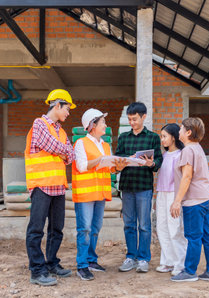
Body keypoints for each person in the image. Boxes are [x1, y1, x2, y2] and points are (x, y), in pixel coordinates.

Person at [24, 89, 76, 286]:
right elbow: (51, 145)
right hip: (41, 186)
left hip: (58, 188)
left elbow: (71, 156)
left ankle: (51, 263)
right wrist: (61, 150)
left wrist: (60, 150)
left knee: (57, 229)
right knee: (36, 229)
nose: (68, 113)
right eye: (67, 109)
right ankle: (37, 271)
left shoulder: (61, 131)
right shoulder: (39, 124)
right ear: (57, 105)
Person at [72, 109, 127, 281]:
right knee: (85, 229)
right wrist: (101, 160)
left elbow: (109, 168)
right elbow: (81, 166)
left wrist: (118, 166)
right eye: (103, 122)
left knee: (95, 229)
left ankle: (91, 260)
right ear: (93, 125)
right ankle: (82, 266)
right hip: (86, 195)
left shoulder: (104, 145)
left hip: (100, 193)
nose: (105, 125)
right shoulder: (81, 143)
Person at [170, 117, 209, 283]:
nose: (179, 132)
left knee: (193, 237)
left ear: (188, 132)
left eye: (181, 129)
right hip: (207, 197)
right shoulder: (198, 148)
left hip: (195, 201)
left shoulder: (187, 150)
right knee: (207, 236)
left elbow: (187, 177)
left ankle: (190, 271)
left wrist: (177, 201)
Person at [115, 102, 163, 273]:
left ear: (144, 117)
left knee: (144, 224)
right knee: (129, 224)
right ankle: (130, 257)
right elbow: (117, 158)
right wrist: (120, 163)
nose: (132, 122)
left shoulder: (152, 137)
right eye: (129, 119)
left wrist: (152, 163)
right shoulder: (123, 137)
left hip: (144, 187)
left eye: (135, 119)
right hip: (127, 185)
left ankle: (143, 259)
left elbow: (158, 161)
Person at [155, 123, 187, 277]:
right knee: (162, 227)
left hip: (174, 195)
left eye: (164, 136)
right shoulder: (164, 156)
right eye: (161, 136)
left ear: (173, 137)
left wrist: (178, 200)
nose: (162, 140)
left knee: (174, 228)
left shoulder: (181, 154)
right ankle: (168, 261)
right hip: (161, 193)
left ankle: (180, 264)